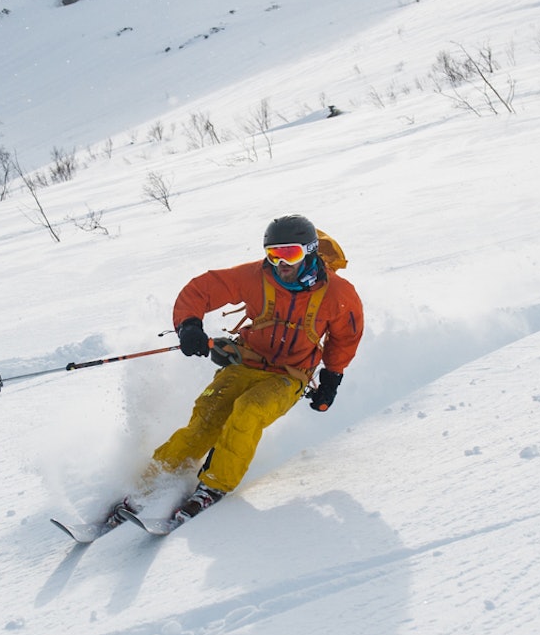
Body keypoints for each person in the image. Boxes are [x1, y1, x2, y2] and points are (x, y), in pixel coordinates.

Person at [120, 214, 364, 527]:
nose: (280, 263)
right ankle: (152, 480)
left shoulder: (338, 294)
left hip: (288, 377)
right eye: (273, 254)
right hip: (245, 362)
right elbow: (202, 289)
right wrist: (190, 325)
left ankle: (214, 484)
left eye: (289, 254)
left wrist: (331, 378)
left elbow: (346, 336)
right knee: (205, 420)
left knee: (248, 411)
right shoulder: (256, 277)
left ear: (310, 251)